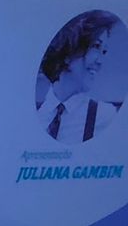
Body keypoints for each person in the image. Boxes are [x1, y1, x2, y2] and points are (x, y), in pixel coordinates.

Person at [34, 10, 122, 143]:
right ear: (68, 50)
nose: (100, 61)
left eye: (104, 51)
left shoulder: (104, 116)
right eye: (96, 46)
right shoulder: (36, 114)